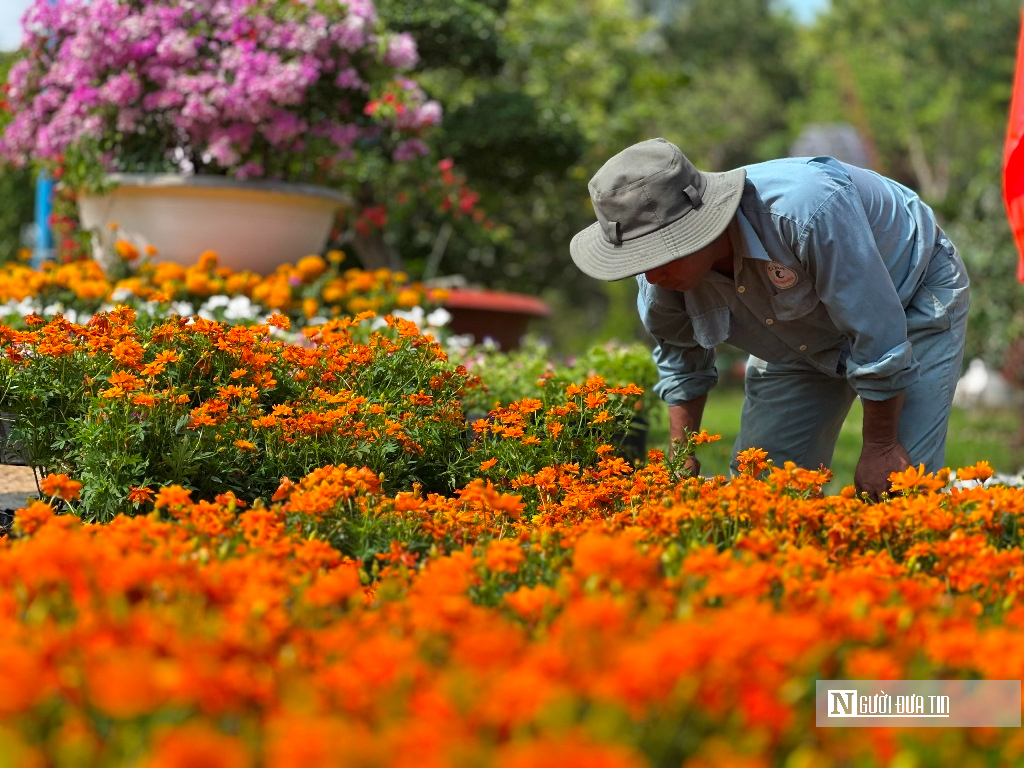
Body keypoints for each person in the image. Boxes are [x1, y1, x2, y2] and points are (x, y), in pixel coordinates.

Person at [569, 138, 970, 497]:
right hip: (796, 336)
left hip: (909, 294)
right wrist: (681, 458)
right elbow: (681, 360)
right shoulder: (659, 278)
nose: (650, 273)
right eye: (640, 259)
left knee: (901, 489)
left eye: (658, 254)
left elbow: (877, 333)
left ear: (701, 228)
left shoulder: (807, 211)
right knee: (763, 495)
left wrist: (880, 445)